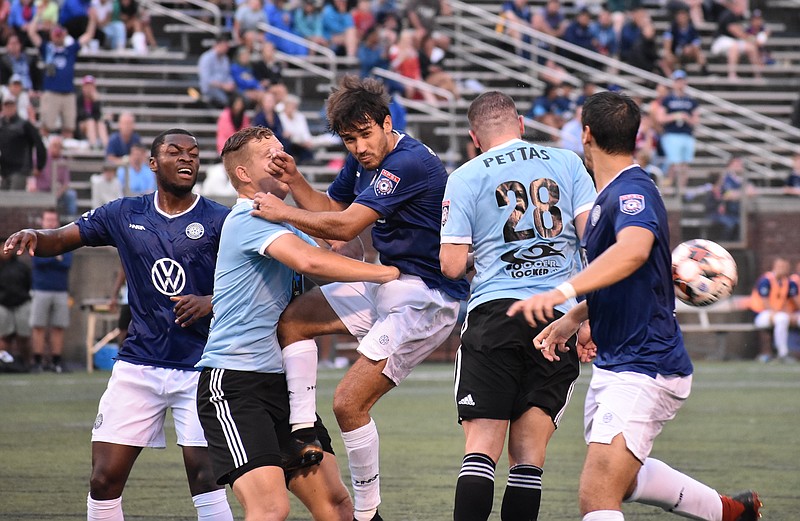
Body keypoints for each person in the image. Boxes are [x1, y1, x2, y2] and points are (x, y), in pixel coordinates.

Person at [507, 91, 761, 521]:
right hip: (620, 362)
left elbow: (634, 251)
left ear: (585, 134)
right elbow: (626, 274)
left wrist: (561, 292)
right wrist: (574, 317)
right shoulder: (611, 194)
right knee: (623, 480)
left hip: (646, 366)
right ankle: (731, 513)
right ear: (637, 135)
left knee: (596, 496)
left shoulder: (633, 193)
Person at [250, 75, 469, 521]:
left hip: (425, 298)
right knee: (296, 320)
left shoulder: (407, 163)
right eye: (350, 139)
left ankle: (368, 515)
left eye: (366, 135)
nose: (358, 147)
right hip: (385, 281)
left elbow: (347, 228)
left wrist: (279, 209)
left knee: (349, 404)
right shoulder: (366, 156)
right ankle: (302, 430)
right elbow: (331, 211)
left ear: (387, 124)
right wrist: (293, 180)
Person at [4, 129, 235, 521]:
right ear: (152, 163)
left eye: (194, 154)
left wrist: (212, 301)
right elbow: (62, 239)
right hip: (138, 364)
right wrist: (34, 235)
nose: (186, 159)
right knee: (104, 479)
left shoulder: (219, 219)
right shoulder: (124, 213)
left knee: (206, 477)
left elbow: (248, 283)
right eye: (175, 152)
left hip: (201, 367)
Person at [197, 126, 401, 520]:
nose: (282, 159)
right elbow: (311, 263)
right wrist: (385, 274)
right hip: (235, 384)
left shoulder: (285, 222)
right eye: (270, 156)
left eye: (282, 151)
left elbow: (339, 246)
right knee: (270, 509)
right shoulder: (248, 217)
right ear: (243, 175)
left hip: (283, 385)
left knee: (336, 505)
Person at [439, 91, 596, 521]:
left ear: (475, 137)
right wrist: (585, 317)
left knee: (481, 453)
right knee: (528, 461)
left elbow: (452, 266)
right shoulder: (567, 162)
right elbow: (594, 244)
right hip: (558, 315)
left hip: (496, 314)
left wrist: (486, 253)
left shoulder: (466, 176)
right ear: (521, 124)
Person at [28, 15, 96, 139]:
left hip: (68, 93)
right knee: (46, 126)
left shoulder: (70, 49)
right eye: (56, 33)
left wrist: (92, 19)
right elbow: (32, 33)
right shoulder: (47, 49)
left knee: (69, 128)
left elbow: (88, 35)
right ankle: (46, 153)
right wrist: (38, 16)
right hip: (51, 92)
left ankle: (65, 154)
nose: (58, 36)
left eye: (60, 33)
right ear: (51, 35)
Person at [29, 208, 72, 373]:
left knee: (58, 327)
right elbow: (37, 262)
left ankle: (56, 361)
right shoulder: (36, 239)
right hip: (41, 289)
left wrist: (50, 258)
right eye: (48, 220)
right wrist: (56, 257)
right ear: (42, 221)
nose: (51, 223)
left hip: (60, 289)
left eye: (53, 220)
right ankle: (38, 361)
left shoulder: (65, 238)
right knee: (38, 326)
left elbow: (66, 263)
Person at [750, 257, 800, 363]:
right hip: (762, 314)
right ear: (774, 267)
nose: (782, 269)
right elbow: (765, 302)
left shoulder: (788, 282)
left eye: (785, 267)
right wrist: (779, 313)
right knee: (782, 319)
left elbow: (790, 302)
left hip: (778, 314)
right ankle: (782, 354)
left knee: (789, 318)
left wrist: (791, 314)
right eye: (780, 266)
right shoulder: (766, 280)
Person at [656, 70, 698, 190]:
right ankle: (669, 188)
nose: (680, 84)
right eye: (678, 81)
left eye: (682, 81)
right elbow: (660, 118)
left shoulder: (691, 101)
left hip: (686, 134)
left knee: (685, 164)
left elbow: (696, 120)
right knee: (674, 163)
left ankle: (682, 189)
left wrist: (687, 118)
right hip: (672, 134)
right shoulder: (667, 100)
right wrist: (676, 116)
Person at [0, 92, 47, 190]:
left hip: (20, 169)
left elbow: (39, 144)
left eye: (11, 106)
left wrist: (39, 166)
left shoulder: (24, 125)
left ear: (15, 107)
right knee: (3, 201)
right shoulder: (1, 125)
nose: (9, 108)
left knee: (14, 199)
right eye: (6, 106)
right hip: (4, 170)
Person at [710, 0, 762, 81]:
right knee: (734, 46)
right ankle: (732, 74)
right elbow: (736, 32)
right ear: (735, 5)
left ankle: (757, 75)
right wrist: (752, 40)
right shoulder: (728, 15)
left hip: (733, 41)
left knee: (751, 48)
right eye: (741, 5)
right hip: (720, 42)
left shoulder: (741, 17)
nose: (743, 7)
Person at [0, 241, 32, 371]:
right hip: (2, 305)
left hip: (21, 303)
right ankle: (4, 363)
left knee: (24, 336)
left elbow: (28, 283)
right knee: (4, 336)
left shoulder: (21, 266)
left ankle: (27, 363)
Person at [35, 135, 78, 216]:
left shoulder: (63, 162)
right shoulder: (40, 157)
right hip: (41, 190)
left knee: (71, 195)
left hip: (57, 193)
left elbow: (66, 183)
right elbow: (32, 172)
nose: (57, 149)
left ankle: (71, 222)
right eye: (54, 146)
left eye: (59, 147)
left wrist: (57, 194)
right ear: (49, 146)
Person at [197, 34, 236, 109]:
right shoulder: (206, 58)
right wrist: (223, 86)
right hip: (209, 89)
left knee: (239, 98)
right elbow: (206, 80)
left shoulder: (225, 59)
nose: (226, 49)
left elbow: (227, 75)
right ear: (218, 44)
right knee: (227, 101)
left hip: (224, 89)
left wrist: (231, 83)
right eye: (225, 46)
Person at [76, 74, 109, 150]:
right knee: (90, 122)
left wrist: (96, 102)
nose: (89, 88)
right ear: (83, 87)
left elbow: (98, 116)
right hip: (82, 126)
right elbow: (80, 115)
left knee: (101, 124)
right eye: (87, 86)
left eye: (91, 86)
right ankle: (93, 145)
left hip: (94, 125)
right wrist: (90, 117)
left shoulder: (95, 100)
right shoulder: (79, 98)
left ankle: (106, 146)